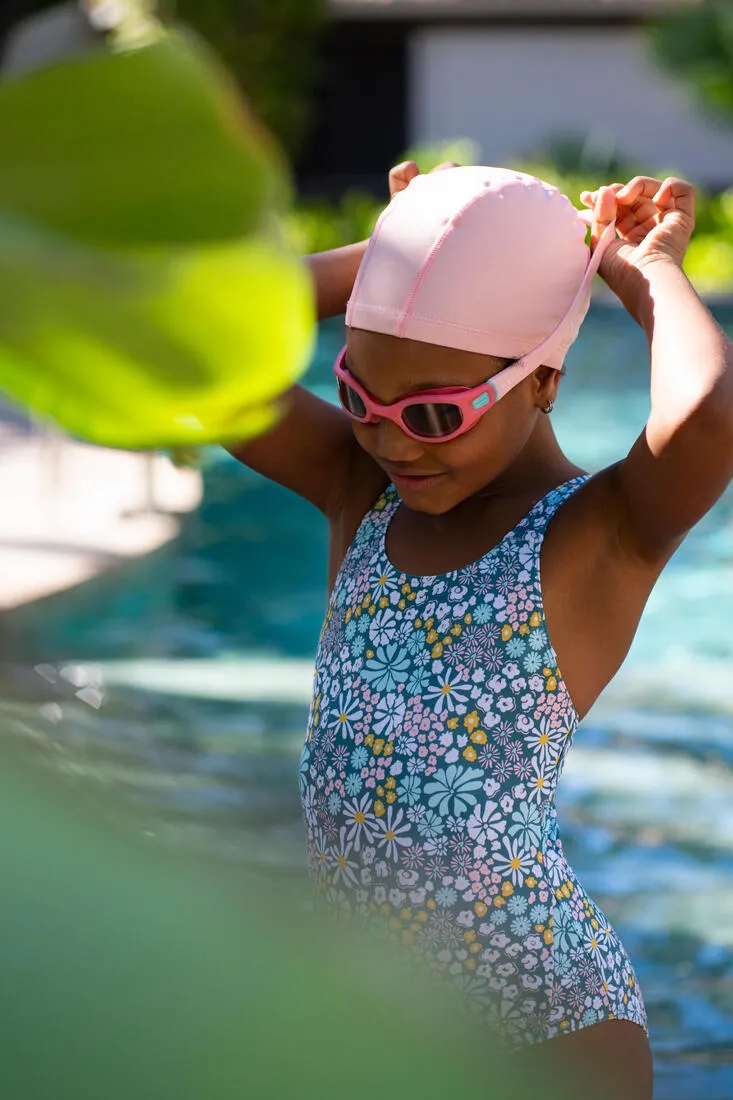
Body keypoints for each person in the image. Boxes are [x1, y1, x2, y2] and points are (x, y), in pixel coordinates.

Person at [231, 161, 733, 1099]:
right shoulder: (365, 496)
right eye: (358, 398)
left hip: (542, 1025)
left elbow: (705, 418)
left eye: (433, 412)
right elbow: (207, 351)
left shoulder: (594, 532)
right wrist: (394, 252)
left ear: (542, 381)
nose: (391, 439)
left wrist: (639, 265)